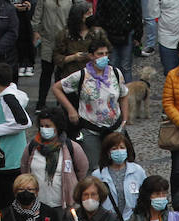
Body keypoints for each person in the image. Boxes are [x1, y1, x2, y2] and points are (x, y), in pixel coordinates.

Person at [52, 31, 129, 169]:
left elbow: (123, 95)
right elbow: (57, 88)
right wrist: (71, 110)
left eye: (106, 54)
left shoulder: (116, 74)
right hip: (91, 129)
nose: (104, 57)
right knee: (93, 166)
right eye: (100, 54)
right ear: (91, 56)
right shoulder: (81, 76)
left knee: (118, 164)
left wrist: (124, 119)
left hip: (114, 127)